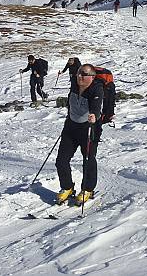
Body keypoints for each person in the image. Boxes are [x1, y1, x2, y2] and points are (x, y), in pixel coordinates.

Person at [55, 64, 104, 206]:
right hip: (71, 127)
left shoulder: (96, 88)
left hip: (89, 128)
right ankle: (67, 187)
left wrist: (94, 115)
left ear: (92, 77)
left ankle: (88, 189)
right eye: (78, 73)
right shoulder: (74, 86)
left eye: (83, 74)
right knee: (61, 160)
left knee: (88, 159)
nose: (80, 76)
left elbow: (96, 106)